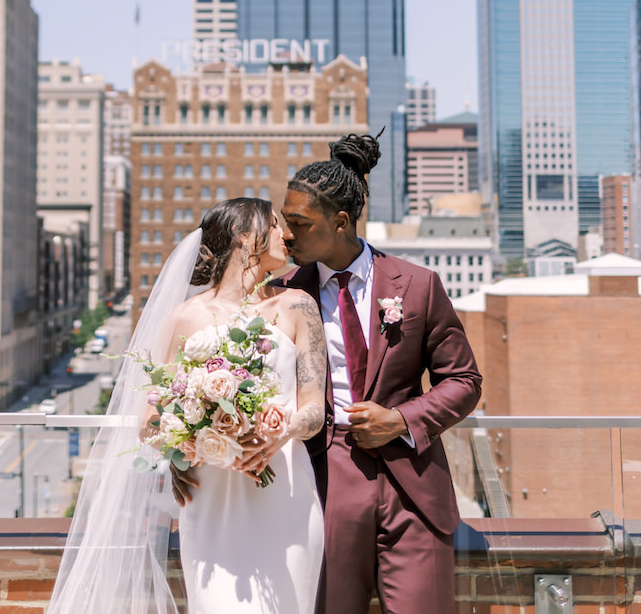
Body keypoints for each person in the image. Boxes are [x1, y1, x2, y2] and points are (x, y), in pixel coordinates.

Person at [48, 197, 328, 614]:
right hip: (211, 496)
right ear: (243, 235)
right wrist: (196, 442)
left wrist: (274, 434)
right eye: (273, 224)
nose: (285, 234)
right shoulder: (184, 318)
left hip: (285, 494)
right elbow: (150, 422)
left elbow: (314, 412)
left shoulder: (297, 307)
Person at [278, 132, 482, 613]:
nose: (286, 235)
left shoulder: (417, 285)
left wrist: (404, 420)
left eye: (299, 224)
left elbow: (464, 381)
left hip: (413, 487)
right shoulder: (281, 294)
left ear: (341, 222)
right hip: (322, 484)